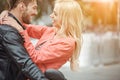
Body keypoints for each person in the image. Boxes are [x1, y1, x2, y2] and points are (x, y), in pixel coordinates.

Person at [0, 0, 83, 72]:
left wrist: (22, 31)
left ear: (66, 19)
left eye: (55, 14)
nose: (51, 15)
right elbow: (27, 28)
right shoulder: (52, 31)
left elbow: (35, 57)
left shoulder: (67, 44)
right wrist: (7, 14)